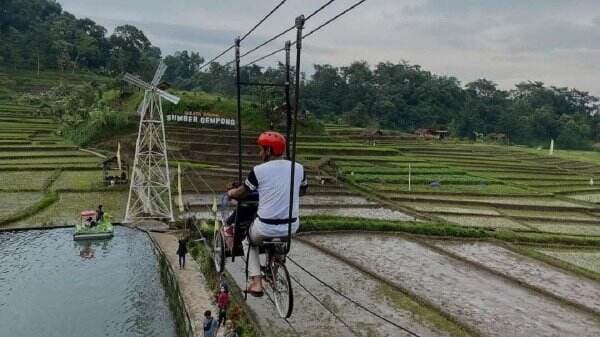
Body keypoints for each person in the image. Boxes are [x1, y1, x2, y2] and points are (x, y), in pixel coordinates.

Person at [226, 131, 307, 296]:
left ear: (269, 151)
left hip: (265, 228)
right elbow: (303, 190)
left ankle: (256, 282)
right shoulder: (299, 168)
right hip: (291, 226)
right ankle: (275, 264)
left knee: (249, 241)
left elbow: (242, 192)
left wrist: (231, 193)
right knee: (280, 240)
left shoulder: (258, 170)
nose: (260, 153)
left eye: (262, 149)